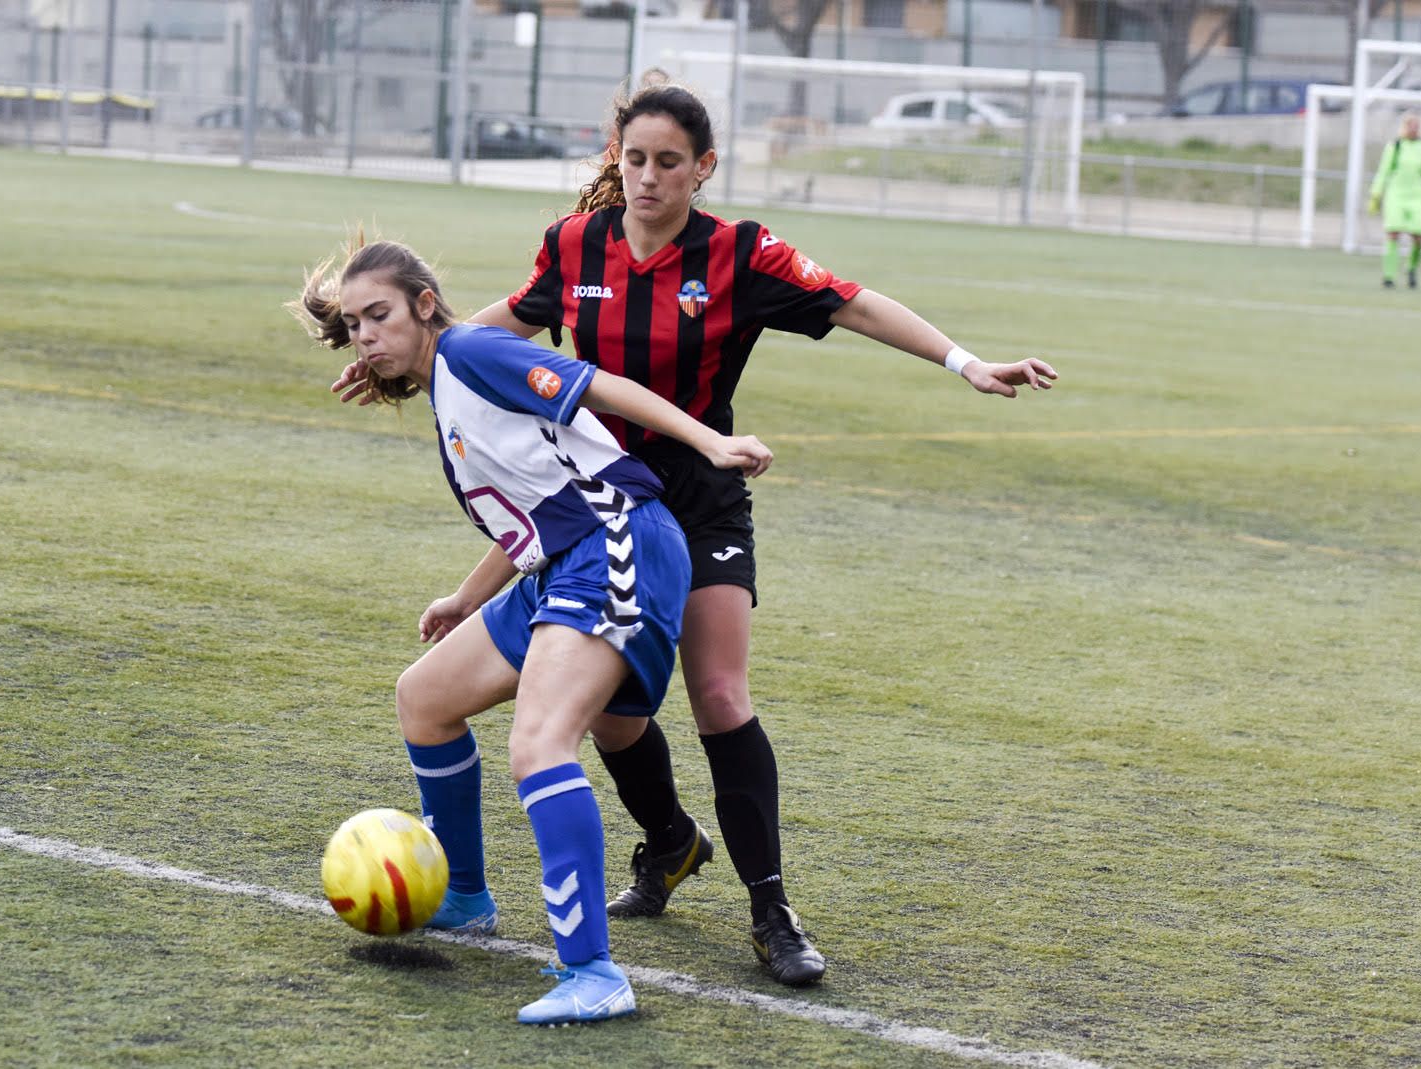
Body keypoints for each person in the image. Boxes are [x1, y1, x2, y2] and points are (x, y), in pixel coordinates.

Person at [332, 83, 1058, 988]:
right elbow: (496, 336)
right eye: (633, 159)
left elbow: (853, 303)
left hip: (697, 498)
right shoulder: (574, 244)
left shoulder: (739, 253)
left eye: (668, 162)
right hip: (591, 500)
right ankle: (671, 841)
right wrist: (395, 357)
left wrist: (964, 360)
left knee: (717, 692)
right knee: (613, 715)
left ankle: (771, 909)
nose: (647, 178)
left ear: (702, 167)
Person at [291, 236, 773, 1024]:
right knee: (425, 698)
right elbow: (540, 506)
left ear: (423, 304)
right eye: (353, 324)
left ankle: (593, 972)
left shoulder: (473, 351)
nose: (366, 336)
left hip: (618, 543)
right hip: (565, 561)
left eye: (379, 315)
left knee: (540, 743)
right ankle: (464, 898)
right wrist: (465, 597)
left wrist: (710, 440)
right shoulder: (447, 385)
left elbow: (602, 387)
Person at [1368, 112, 1421, 289]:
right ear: (1404, 126)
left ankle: (1411, 268)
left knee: (1418, 237)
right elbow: (1383, 171)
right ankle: (1389, 276)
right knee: (1393, 233)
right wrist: (1376, 194)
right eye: (1410, 125)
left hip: (1417, 197)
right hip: (1396, 195)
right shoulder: (1395, 146)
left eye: (1416, 126)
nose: (1413, 129)